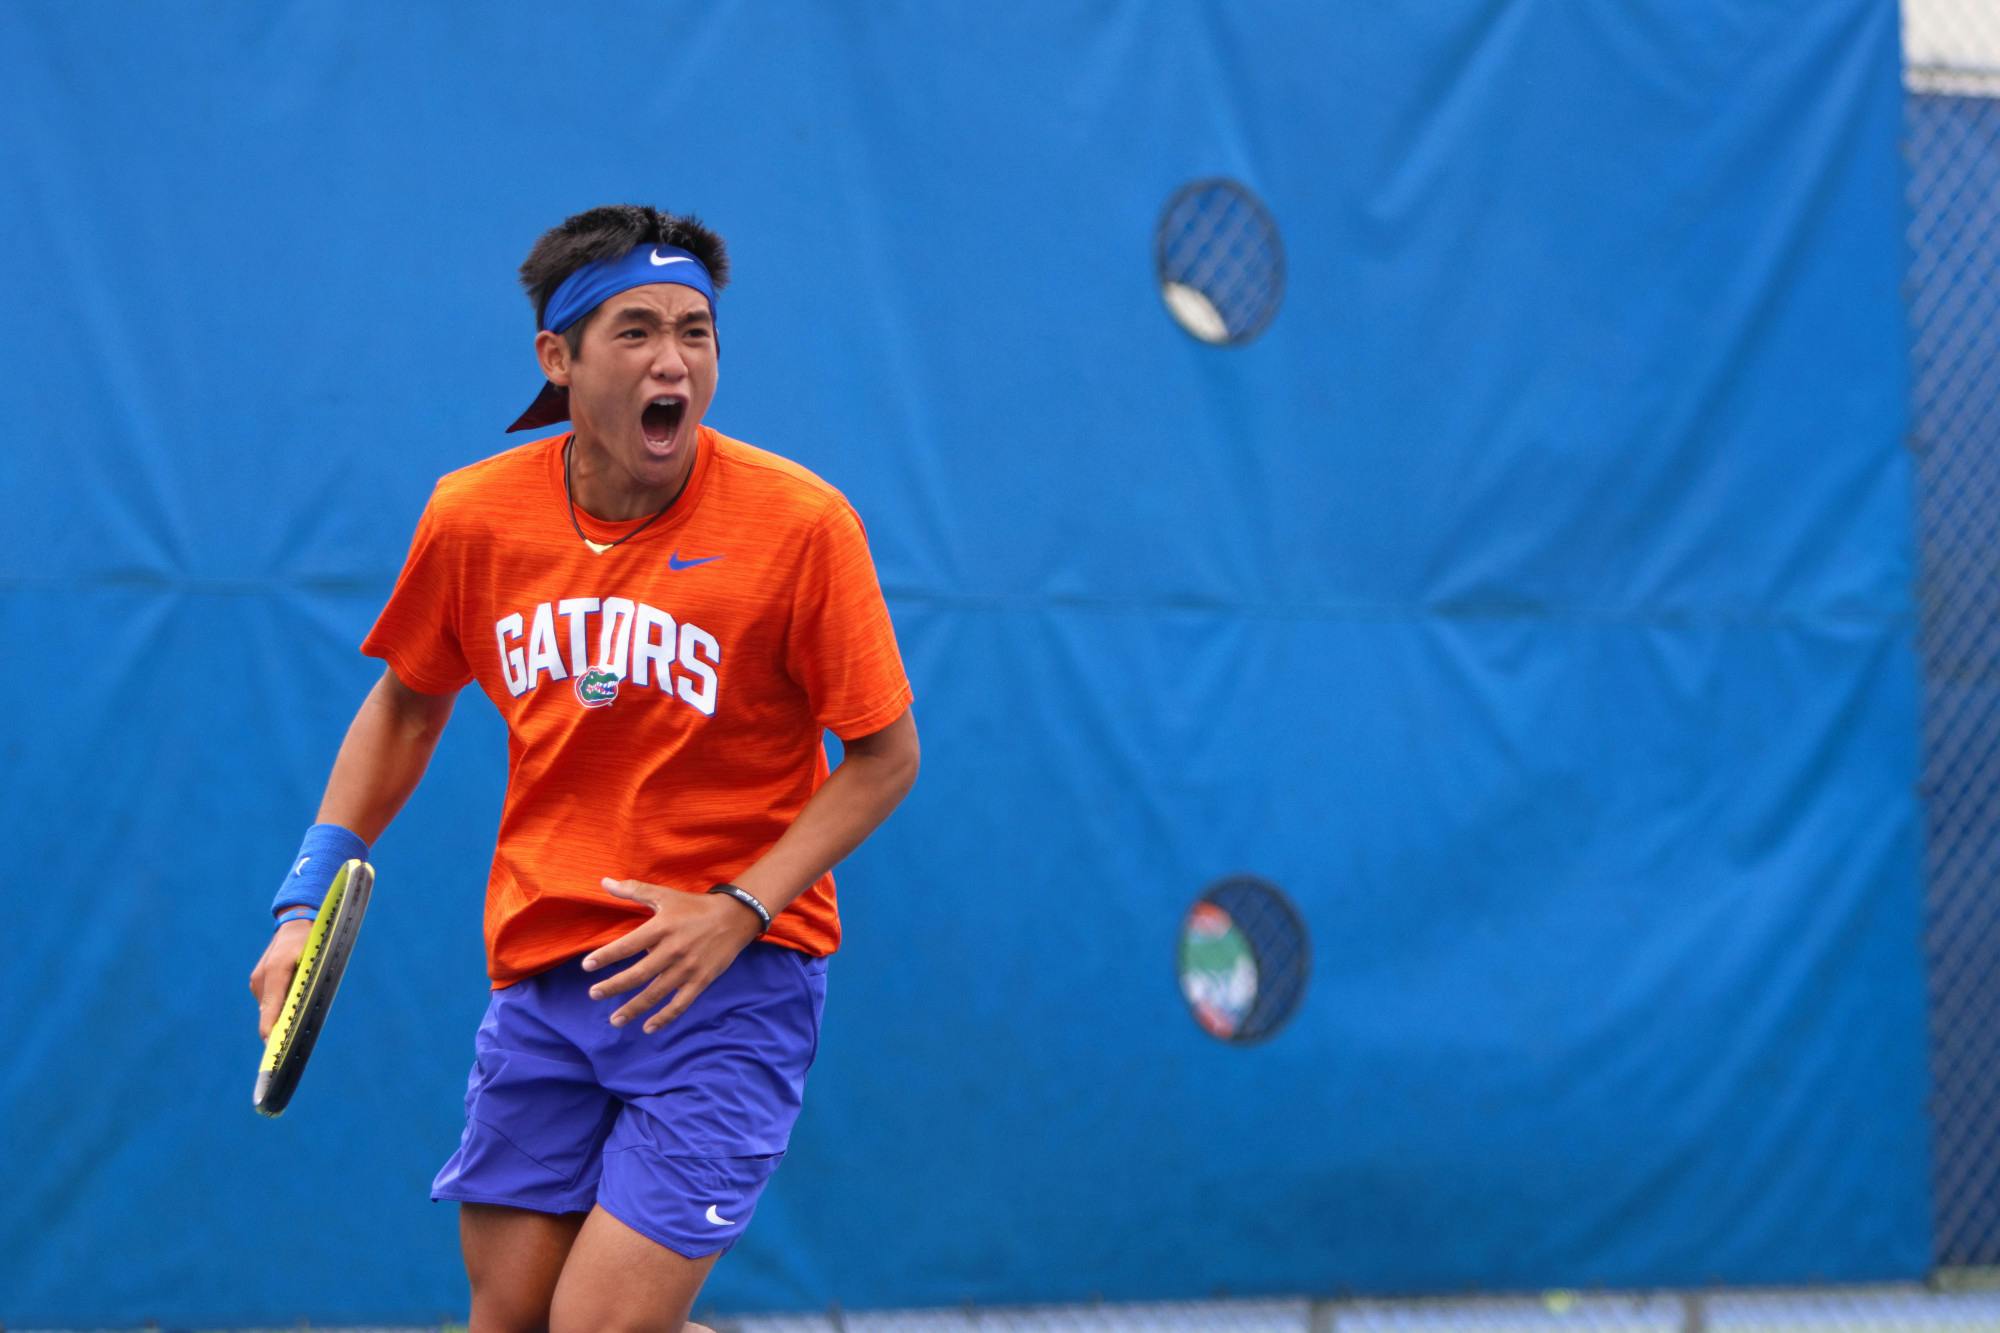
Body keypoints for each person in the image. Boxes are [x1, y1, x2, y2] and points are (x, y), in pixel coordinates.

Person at [248, 203, 919, 1332]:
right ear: (556, 360)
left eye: (695, 332)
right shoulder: (476, 517)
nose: (674, 361)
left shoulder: (802, 524)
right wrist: (303, 899)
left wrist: (739, 909)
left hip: (726, 986)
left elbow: (883, 756)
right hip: (543, 980)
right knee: (509, 1321)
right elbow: (408, 704)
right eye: (635, 331)